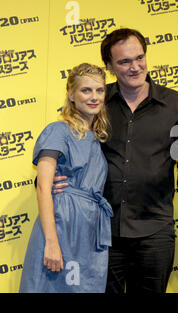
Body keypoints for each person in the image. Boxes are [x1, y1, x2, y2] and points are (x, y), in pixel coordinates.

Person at [52, 28, 178, 293]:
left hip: (155, 230)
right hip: (102, 231)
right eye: (124, 61)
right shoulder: (96, 101)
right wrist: (52, 178)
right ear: (110, 66)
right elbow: (69, 148)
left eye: (139, 58)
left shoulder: (176, 103)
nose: (135, 67)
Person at [20, 63, 112, 292]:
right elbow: (43, 187)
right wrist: (51, 243)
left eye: (99, 90)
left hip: (90, 230)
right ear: (71, 94)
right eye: (86, 90)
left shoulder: (96, 138)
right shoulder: (58, 130)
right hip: (63, 225)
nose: (94, 97)